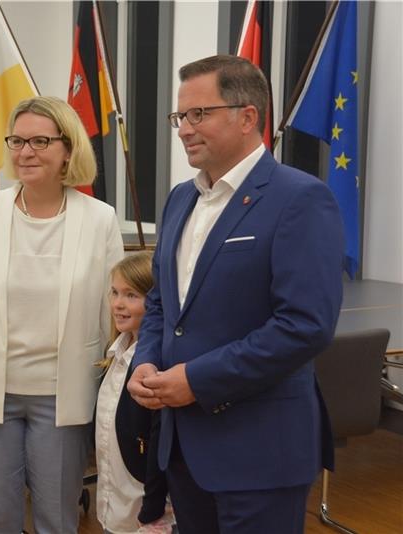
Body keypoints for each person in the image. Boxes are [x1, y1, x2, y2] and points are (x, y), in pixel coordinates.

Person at [127, 55, 344, 534]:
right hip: (183, 447)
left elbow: (305, 326)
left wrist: (198, 380)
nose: (184, 128)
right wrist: (145, 360)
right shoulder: (181, 198)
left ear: (247, 117)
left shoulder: (299, 199)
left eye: (198, 114)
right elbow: (163, 303)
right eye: (179, 116)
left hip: (260, 451)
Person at [0, 95, 124, 533]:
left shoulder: (99, 219)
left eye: (40, 141)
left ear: (68, 149)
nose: (26, 152)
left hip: (64, 395)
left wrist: (118, 388)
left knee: (56, 520)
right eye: (18, 141)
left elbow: (114, 313)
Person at [96, 252, 175, 534]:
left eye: (131, 295)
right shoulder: (115, 355)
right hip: (114, 505)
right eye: (115, 292)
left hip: (146, 513)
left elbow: (158, 444)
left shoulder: (156, 366)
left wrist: (152, 510)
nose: (118, 304)